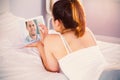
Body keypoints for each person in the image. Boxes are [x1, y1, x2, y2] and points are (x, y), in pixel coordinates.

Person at [26, 0, 108, 80]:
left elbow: (53, 68)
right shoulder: (87, 31)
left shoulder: (51, 40)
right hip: (108, 71)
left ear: (57, 22)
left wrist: (40, 45)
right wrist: (46, 41)